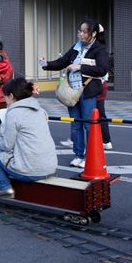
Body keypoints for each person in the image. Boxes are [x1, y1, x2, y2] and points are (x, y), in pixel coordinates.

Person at [40, 19, 109, 167]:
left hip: (87, 91)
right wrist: (46, 65)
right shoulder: (76, 47)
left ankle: (89, 157)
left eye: (85, 32)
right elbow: (62, 62)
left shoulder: (99, 49)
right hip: (72, 91)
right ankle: (78, 155)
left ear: (94, 33)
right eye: (80, 31)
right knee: (76, 125)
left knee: (88, 125)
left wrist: (80, 66)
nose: (81, 35)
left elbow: (102, 70)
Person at [0, 77, 57, 198]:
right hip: (50, 167)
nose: (5, 100)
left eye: (5, 96)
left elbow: (6, 145)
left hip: (29, 172)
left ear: (11, 96)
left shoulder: (14, 113)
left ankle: (4, 188)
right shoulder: (39, 110)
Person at [98, 74, 113, 150]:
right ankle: (106, 141)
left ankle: (105, 140)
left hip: (95, 86)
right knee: (101, 115)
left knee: (100, 115)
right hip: (101, 84)